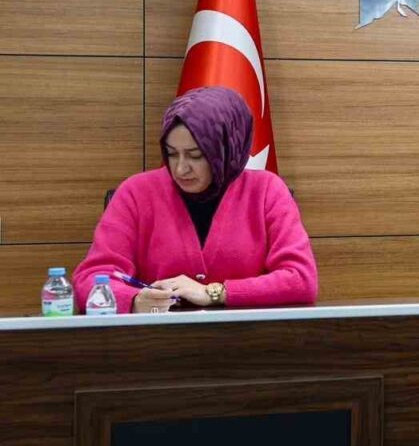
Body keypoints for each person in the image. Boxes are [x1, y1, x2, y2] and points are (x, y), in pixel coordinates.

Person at [74, 86, 318, 313]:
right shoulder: (136, 192)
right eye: (172, 154)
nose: (181, 168)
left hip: (250, 339)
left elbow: (301, 279)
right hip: (155, 339)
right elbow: (90, 279)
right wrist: (135, 300)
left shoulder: (266, 191)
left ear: (225, 150)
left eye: (195, 155)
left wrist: (215, 293)